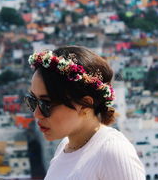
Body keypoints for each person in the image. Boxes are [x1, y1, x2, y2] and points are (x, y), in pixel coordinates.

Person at [24, 45, 145, 180]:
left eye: (46, 104)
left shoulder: (112, 152)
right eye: (33, 101)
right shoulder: (65, 146)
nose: (36, 114)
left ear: (85, 104)